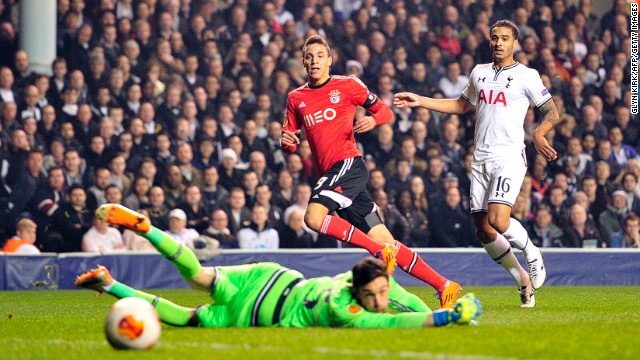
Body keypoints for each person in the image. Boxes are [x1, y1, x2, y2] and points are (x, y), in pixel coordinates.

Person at [76, 204, 482, 328]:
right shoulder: (346, 309)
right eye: (373, 296)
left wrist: (443, 312)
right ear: (357, 294)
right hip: (256, 310)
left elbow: (406, 301)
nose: (380, 300)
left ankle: (143, 235)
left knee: (198, 275)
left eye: (381, 293)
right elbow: (396, 322)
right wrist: (448, 318)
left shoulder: (361, 278)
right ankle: (112, 284)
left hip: (269, 274)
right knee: (183, 318)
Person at [280, 35, 461, 308]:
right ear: (303, 62)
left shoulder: (348, 84)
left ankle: (377, 251)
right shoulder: (296, 98)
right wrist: (287, 142)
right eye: (309, 56)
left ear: (329, 60)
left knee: (314, 218)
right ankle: (445, 286)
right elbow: (289, 140)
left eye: (319, 55)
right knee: (388, 242)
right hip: (331, 178)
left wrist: (373, 120)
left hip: (349, 165)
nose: (314, 60)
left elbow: (385, 111)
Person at [395, 20, 558, 307]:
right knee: (484, 230)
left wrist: (538, 133)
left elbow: (551, 112)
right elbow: (461, 105)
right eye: (494, 37)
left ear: (514, 43)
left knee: (498, 219)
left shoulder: (527, 75)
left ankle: (532, 253)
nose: (498, 43)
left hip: (508, 157)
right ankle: (523, 280)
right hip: (480, 158)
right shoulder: (479, 73)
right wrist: (420, 100)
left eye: (504, 38)